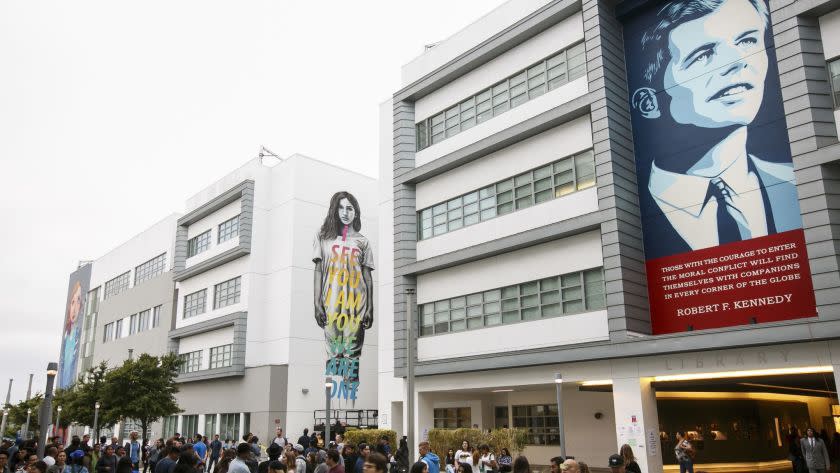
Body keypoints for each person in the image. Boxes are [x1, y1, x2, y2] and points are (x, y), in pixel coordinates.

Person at [627, 0, 800, 259]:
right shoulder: (634, 215)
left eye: (747, 41)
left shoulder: (794, 183)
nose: (738, 61)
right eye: (703, 55)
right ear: (650, 102)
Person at [313, 191, 375, 394]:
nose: (345, 212)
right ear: (334, 209)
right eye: (341, 207)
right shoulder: (323, 238)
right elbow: (319, 271)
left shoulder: (363, 242)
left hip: (357, 304)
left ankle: (350, 391)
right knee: (333, 352)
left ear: (356, 212)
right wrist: (317, 303)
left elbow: (367, 276)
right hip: (331, 304)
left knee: (352, 352)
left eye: (350, 208)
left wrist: (370, 308)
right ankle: (332, 397)